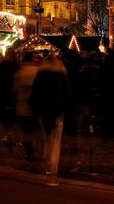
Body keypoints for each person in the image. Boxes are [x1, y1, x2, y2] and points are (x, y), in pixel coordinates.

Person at [31, 53, 69, 186]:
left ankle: (48, 170)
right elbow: (67, 95)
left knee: (47, 141)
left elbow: (35, 94)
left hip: (43, 111)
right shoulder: (62, 75)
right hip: (58, 111)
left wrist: (35, 111)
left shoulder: (40, 75)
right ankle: (53, 174)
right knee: (55, 144)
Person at [13, 51, 40, 160]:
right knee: (34, 129)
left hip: (21, 104)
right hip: (35, 104)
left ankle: (29, 152)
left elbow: (14, 90)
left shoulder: (19, 72)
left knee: (26, 131)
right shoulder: (38, 71)